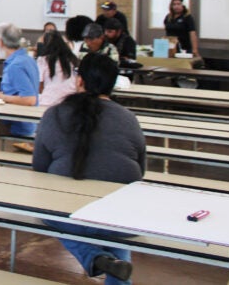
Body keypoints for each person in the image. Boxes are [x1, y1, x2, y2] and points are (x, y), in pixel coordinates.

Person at [33, 53, 145, 285]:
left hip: (71, 212)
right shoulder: (129, 118)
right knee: (114, 228)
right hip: (123, 218)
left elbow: (39, 169)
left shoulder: (55, 114)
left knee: (48, 213)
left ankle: (94, 256)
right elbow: (140, 171)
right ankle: (113, 270)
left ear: (79, 80)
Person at [0, 22, 40, 141]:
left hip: (16, 124)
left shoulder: (15, 66)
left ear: (0, 42)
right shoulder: (28, 60)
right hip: (28, 122)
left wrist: (1, 97)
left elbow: (29, 99)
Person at [36, 31, 79, 108]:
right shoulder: (73, 59)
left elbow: (40, 85)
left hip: (49, 102)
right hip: (72, 101)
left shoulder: (43, 60)